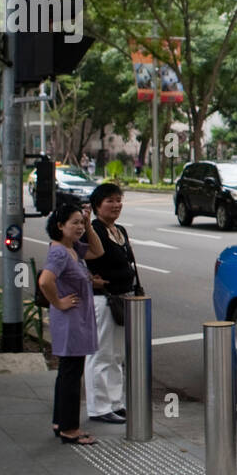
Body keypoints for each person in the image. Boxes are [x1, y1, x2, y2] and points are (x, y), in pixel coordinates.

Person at [40, 201, 104, 445]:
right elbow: (45, 281)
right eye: (74, 223)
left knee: (67, 372)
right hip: (70, 320)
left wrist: (89, 225)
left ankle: (60, 422)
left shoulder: (72, 247)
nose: (79, 227)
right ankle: (70, 430)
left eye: (81, 221)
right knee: (71, 374)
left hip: (77, 319)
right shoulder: (58, 252)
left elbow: (98, 251)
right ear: (59, 226)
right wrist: (58, 302)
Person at [85, 183, 139, 424]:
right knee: (101, 354)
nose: (116, 205)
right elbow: (74, 258)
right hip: (103, 301)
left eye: (119, 200)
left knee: (117, 355)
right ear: (97, 205)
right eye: (110, 201)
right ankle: (99, 407)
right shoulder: (92, 229)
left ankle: (115, 403)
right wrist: (88, 279)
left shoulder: (120, 230)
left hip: (122, 298)